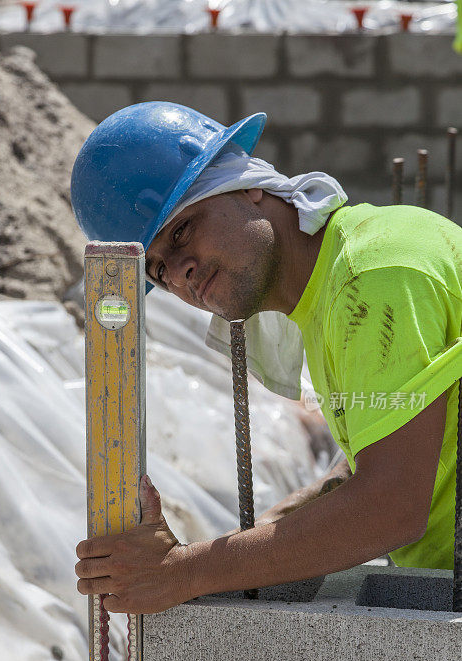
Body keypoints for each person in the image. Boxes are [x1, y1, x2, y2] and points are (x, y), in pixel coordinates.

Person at [71, 102, 462, 614]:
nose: (180, 272)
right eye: (159, 270)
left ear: (249, 185)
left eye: (184, 230)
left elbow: (390, 505)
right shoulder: (334, 288)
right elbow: (380, 452)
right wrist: (257, 535)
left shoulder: (373, 276)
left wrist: (184, 571)